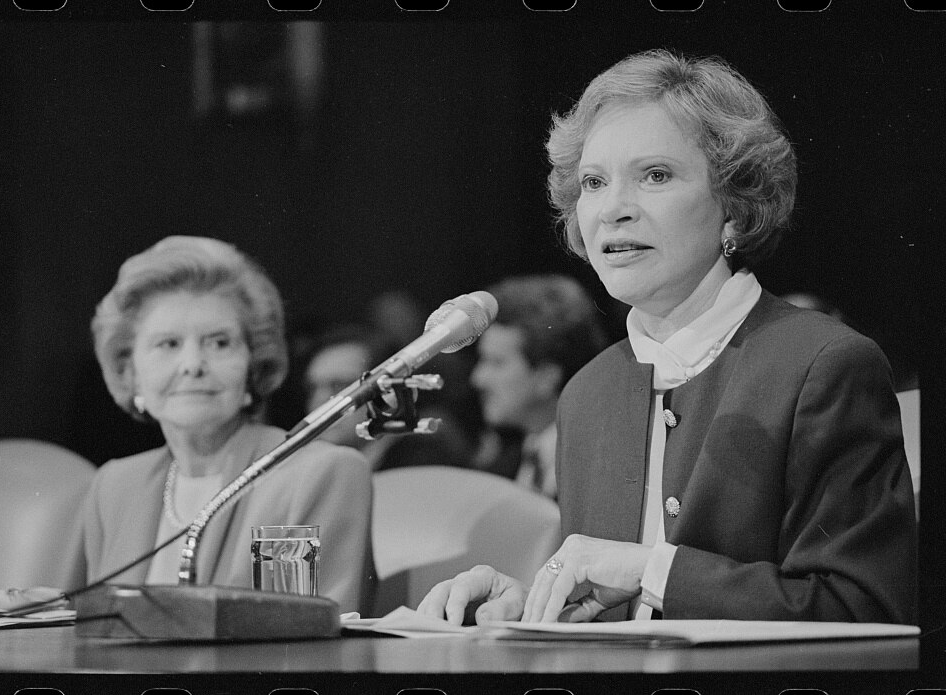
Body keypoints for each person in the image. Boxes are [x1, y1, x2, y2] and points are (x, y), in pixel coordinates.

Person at [418, 49, 917, 625]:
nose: (614, 210)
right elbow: (605, 600)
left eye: (655, 175)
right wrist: (526, 606)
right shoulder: (587, 393)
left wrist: (652, 571)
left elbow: (863, 609)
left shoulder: (825, 366)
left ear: (734, 206)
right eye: (594, 182)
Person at [61, 236, 373, 613]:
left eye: (219, 343)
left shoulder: (318, 475)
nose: (193, 364)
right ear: (130, 372)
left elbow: (304, 647)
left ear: (253, 364)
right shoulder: (114, 486)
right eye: (168, 344)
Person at [469, 274, 609, 499]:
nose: (478, 378)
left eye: (496, 363)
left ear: (547, 377)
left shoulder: (598, 466)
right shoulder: (503, 462)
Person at [303, 322, 474, 472]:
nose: (319, 401)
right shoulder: (319, 469)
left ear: (390, 392)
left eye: (340, 387)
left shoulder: (423, 463)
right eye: (312, 388)